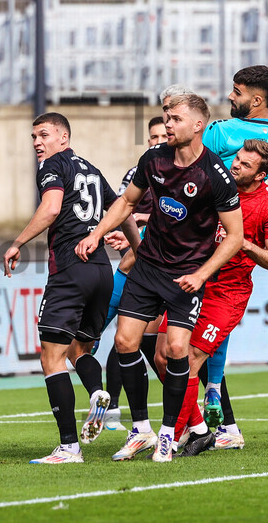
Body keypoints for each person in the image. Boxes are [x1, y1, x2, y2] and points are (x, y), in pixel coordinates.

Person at [75, 93, 243, 463]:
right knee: (124, 342)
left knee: (177, 350)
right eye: (166, 117)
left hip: (187, 276)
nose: (167, 124)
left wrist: (201, 274)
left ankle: (169, 433)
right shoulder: (152, 159)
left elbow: (234, 236)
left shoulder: (215, 175)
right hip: (148, 267)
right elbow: (126, 202)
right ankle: (141, 430)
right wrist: (97, 232)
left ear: (198, 125)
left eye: (176, 118)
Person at [3, 112, 140, 463]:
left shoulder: (53, 166)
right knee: (79, 349)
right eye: (34, 136)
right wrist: (139, 251)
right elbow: (122, 210)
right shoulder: (92, 169)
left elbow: (50, 209)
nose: (37, 142)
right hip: (101, 272)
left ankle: (68, 447)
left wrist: (18, 242)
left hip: (70, 270)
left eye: (44, 134)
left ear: (63, 137)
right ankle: (97, 394)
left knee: (51, 356)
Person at [160, 140, 268, 457]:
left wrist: (243, 244)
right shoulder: (215, 184)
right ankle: (200, 429)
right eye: (237, 158)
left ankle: (170, 440)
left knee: (188, 360)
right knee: (162, 357)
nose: (235, 165)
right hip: (190, 281)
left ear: (260, 175)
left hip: (227, 291)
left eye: (244, 164)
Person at [200, 65, 268, 429]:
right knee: (198, 328)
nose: (229, 97)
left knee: (174, 336)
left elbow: (190, 176)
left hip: (207, 239)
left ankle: (201, 416)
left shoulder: (218, 132)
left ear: (256, 100)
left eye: (236, 91)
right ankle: (217, 412)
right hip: (241, 240)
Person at [99, 114, 171, 431]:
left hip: (163, 269)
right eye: (152, 137)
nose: (157, 142)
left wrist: (140, 225)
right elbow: (121, 206)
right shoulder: (138, 170)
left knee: (159, 348)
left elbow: (170, 218)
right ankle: (110, 407)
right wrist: (121, 231)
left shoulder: (185, 172)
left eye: (162, 136)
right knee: (115, 337)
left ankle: (195, 409)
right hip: (131, 267)